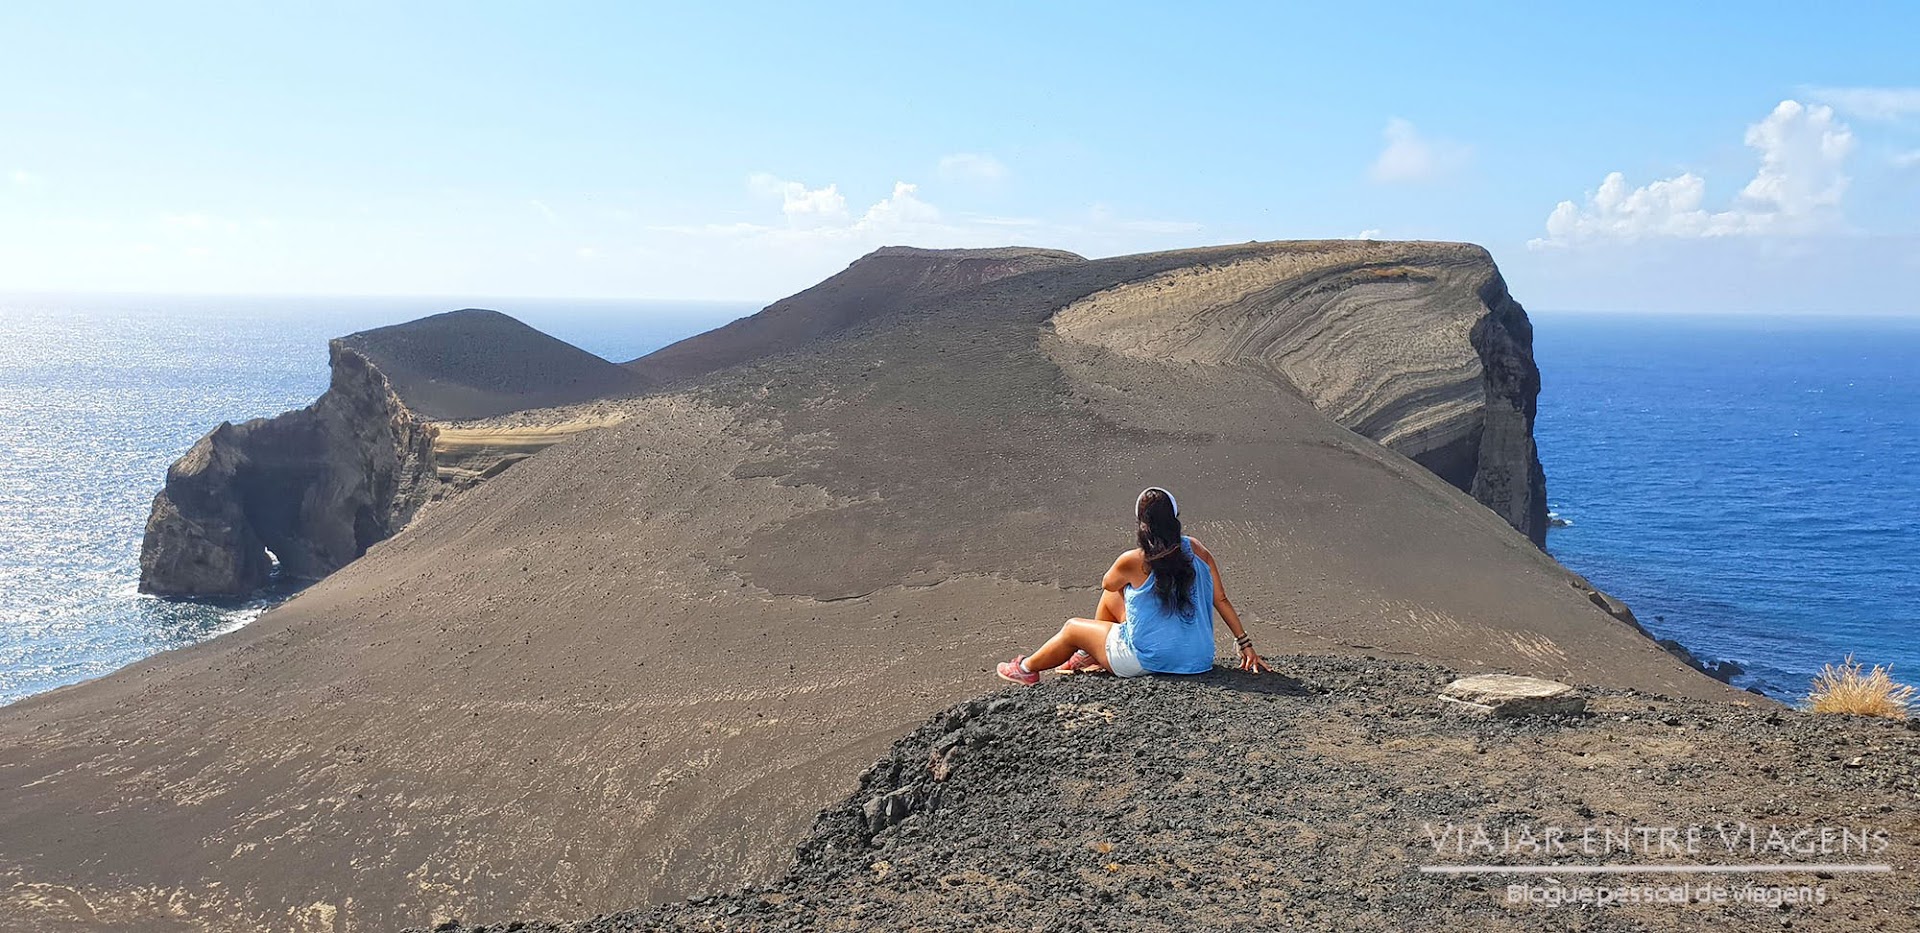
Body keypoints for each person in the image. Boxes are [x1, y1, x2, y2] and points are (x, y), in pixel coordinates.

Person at [997, 487, 1269, 684]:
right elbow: (1220, 600)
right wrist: (1245, 645)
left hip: (1146, 660)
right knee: (1130, 593)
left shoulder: (1133, 560)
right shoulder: (1196, 549)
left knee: (1074, 626)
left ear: (1142, 525)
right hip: (1198, 660)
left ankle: (1026, 668)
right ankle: (1086, 656)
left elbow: (1108, 583)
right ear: (1175, 519)